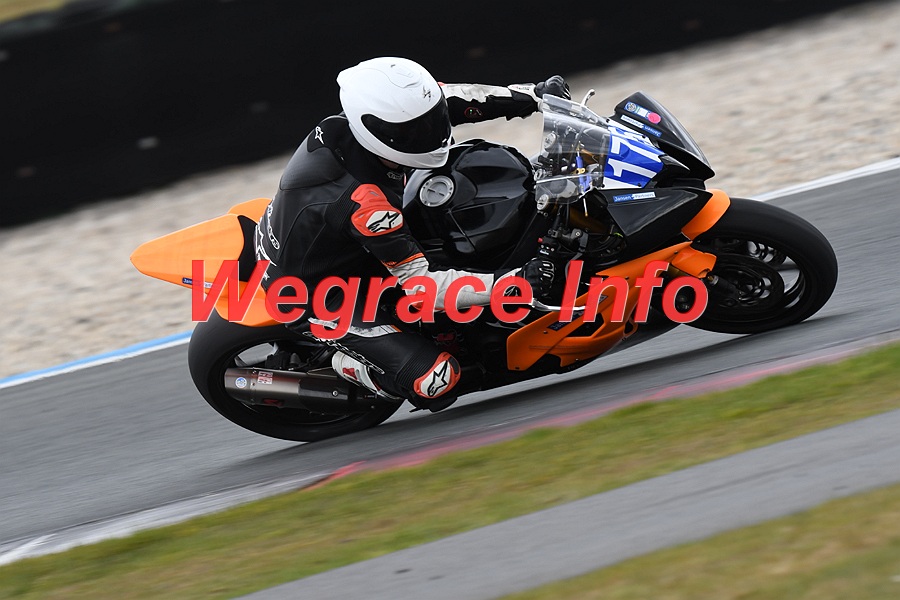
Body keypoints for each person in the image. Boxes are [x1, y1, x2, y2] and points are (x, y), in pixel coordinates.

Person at [255, 56, 568, 410]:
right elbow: (423, 288)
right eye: (415, 131)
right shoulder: (368, 204)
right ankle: (346, 365)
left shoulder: (384, 121)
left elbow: (456, 98)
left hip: (337, 242)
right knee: (437, 380)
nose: (431, 134)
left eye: (430, 121)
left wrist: (535, 96)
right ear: (378, 131)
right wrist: (515, 283)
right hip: (316, 293)